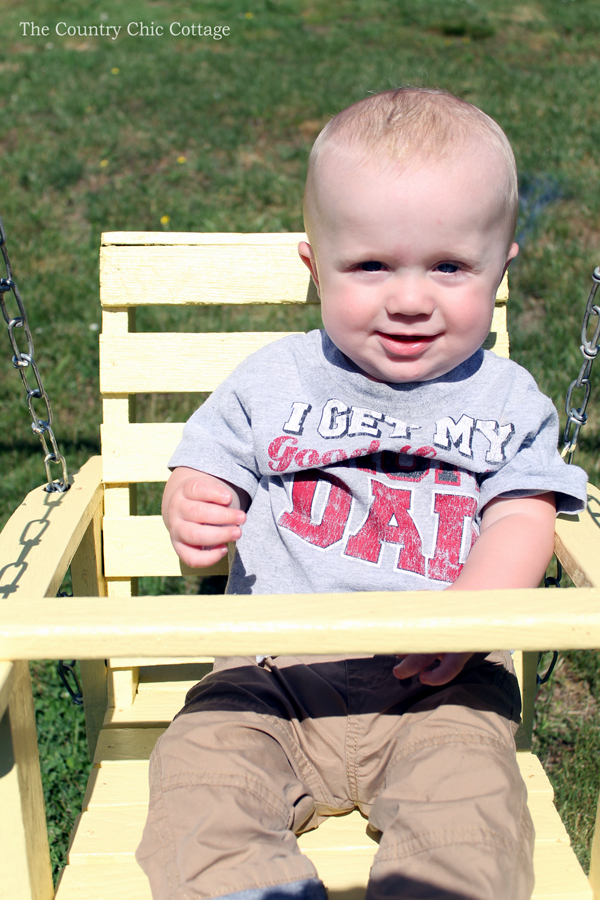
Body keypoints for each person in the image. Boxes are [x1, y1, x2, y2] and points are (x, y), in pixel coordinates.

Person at [136, 88, 587, 900]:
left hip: (440, 690)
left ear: (501, 267)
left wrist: (469, 618)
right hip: (271, 678)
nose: (410, 299)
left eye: (450, 267)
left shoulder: (509, 401)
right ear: (315, 266)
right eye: (371, 265)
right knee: (198, 776)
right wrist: (194, 504)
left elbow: (524, 510)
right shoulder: (271, 381)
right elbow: (205, 467)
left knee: (469, 815)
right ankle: (251, 888)